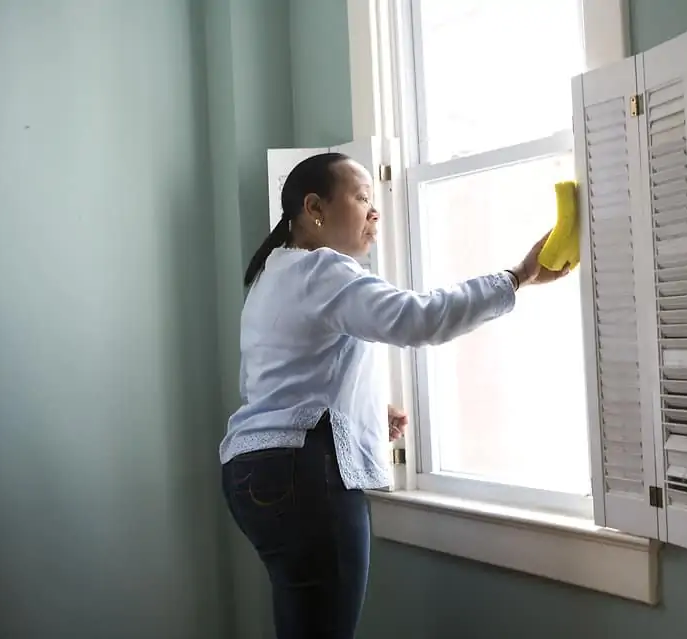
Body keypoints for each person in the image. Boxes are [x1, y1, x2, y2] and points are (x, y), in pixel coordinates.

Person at [219, 152, 570, 639]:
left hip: (251, 473)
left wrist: (362, 414)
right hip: (304, 477)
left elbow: (286, 379)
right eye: (362, 198)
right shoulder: (324, 271)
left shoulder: (271, 274)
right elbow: (418, 318)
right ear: (315, 207)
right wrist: (517, 277)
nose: (374, 211)